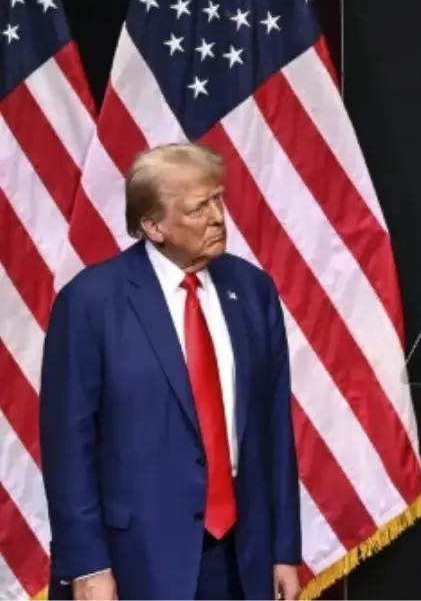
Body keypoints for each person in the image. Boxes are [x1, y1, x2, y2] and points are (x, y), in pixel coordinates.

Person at [40, 142, 302, 601]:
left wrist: (284, 550)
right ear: (153, 226)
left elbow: (274, 429)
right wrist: (87, 566)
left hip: (241, 557)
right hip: (137, 560)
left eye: (217, 199)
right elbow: (67, 445)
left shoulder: (253, 291)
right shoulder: (90, 302)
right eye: (199, 208)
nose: (218, 217)